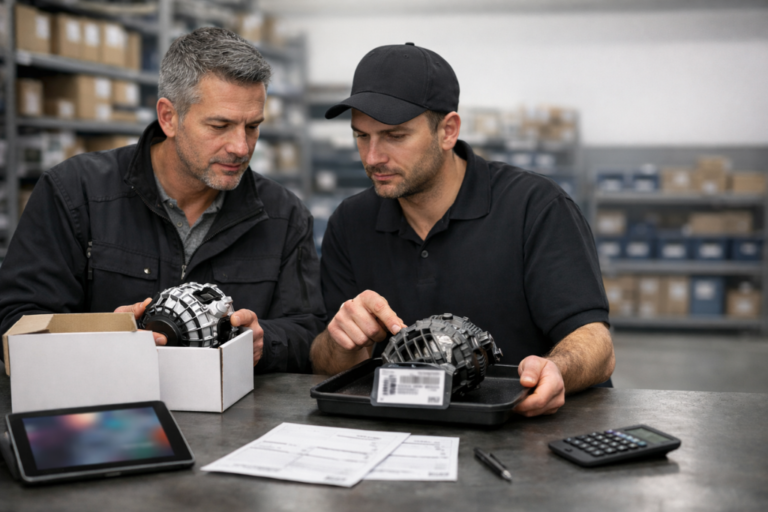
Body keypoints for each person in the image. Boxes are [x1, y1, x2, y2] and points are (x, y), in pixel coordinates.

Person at [309, 43, 615, 416]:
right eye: (361, 136)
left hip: (522, 428)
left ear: (448, 131)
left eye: (395, 136)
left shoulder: (536, 207)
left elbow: (595, 343)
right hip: (403, 425)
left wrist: (557, 369)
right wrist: (341, 342)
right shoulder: (350, 222)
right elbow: (326, 363)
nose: (373, 157)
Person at [0, 28, 325, 373]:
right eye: (219, 126)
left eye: (252, 126)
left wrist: (264, 342)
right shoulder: (75, 193)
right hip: (110, 400)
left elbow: (311, 333)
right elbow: (17, 323)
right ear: (169, 117)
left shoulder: (284, 216)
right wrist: (101, 335)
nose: (241, 147)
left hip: (233, 406)